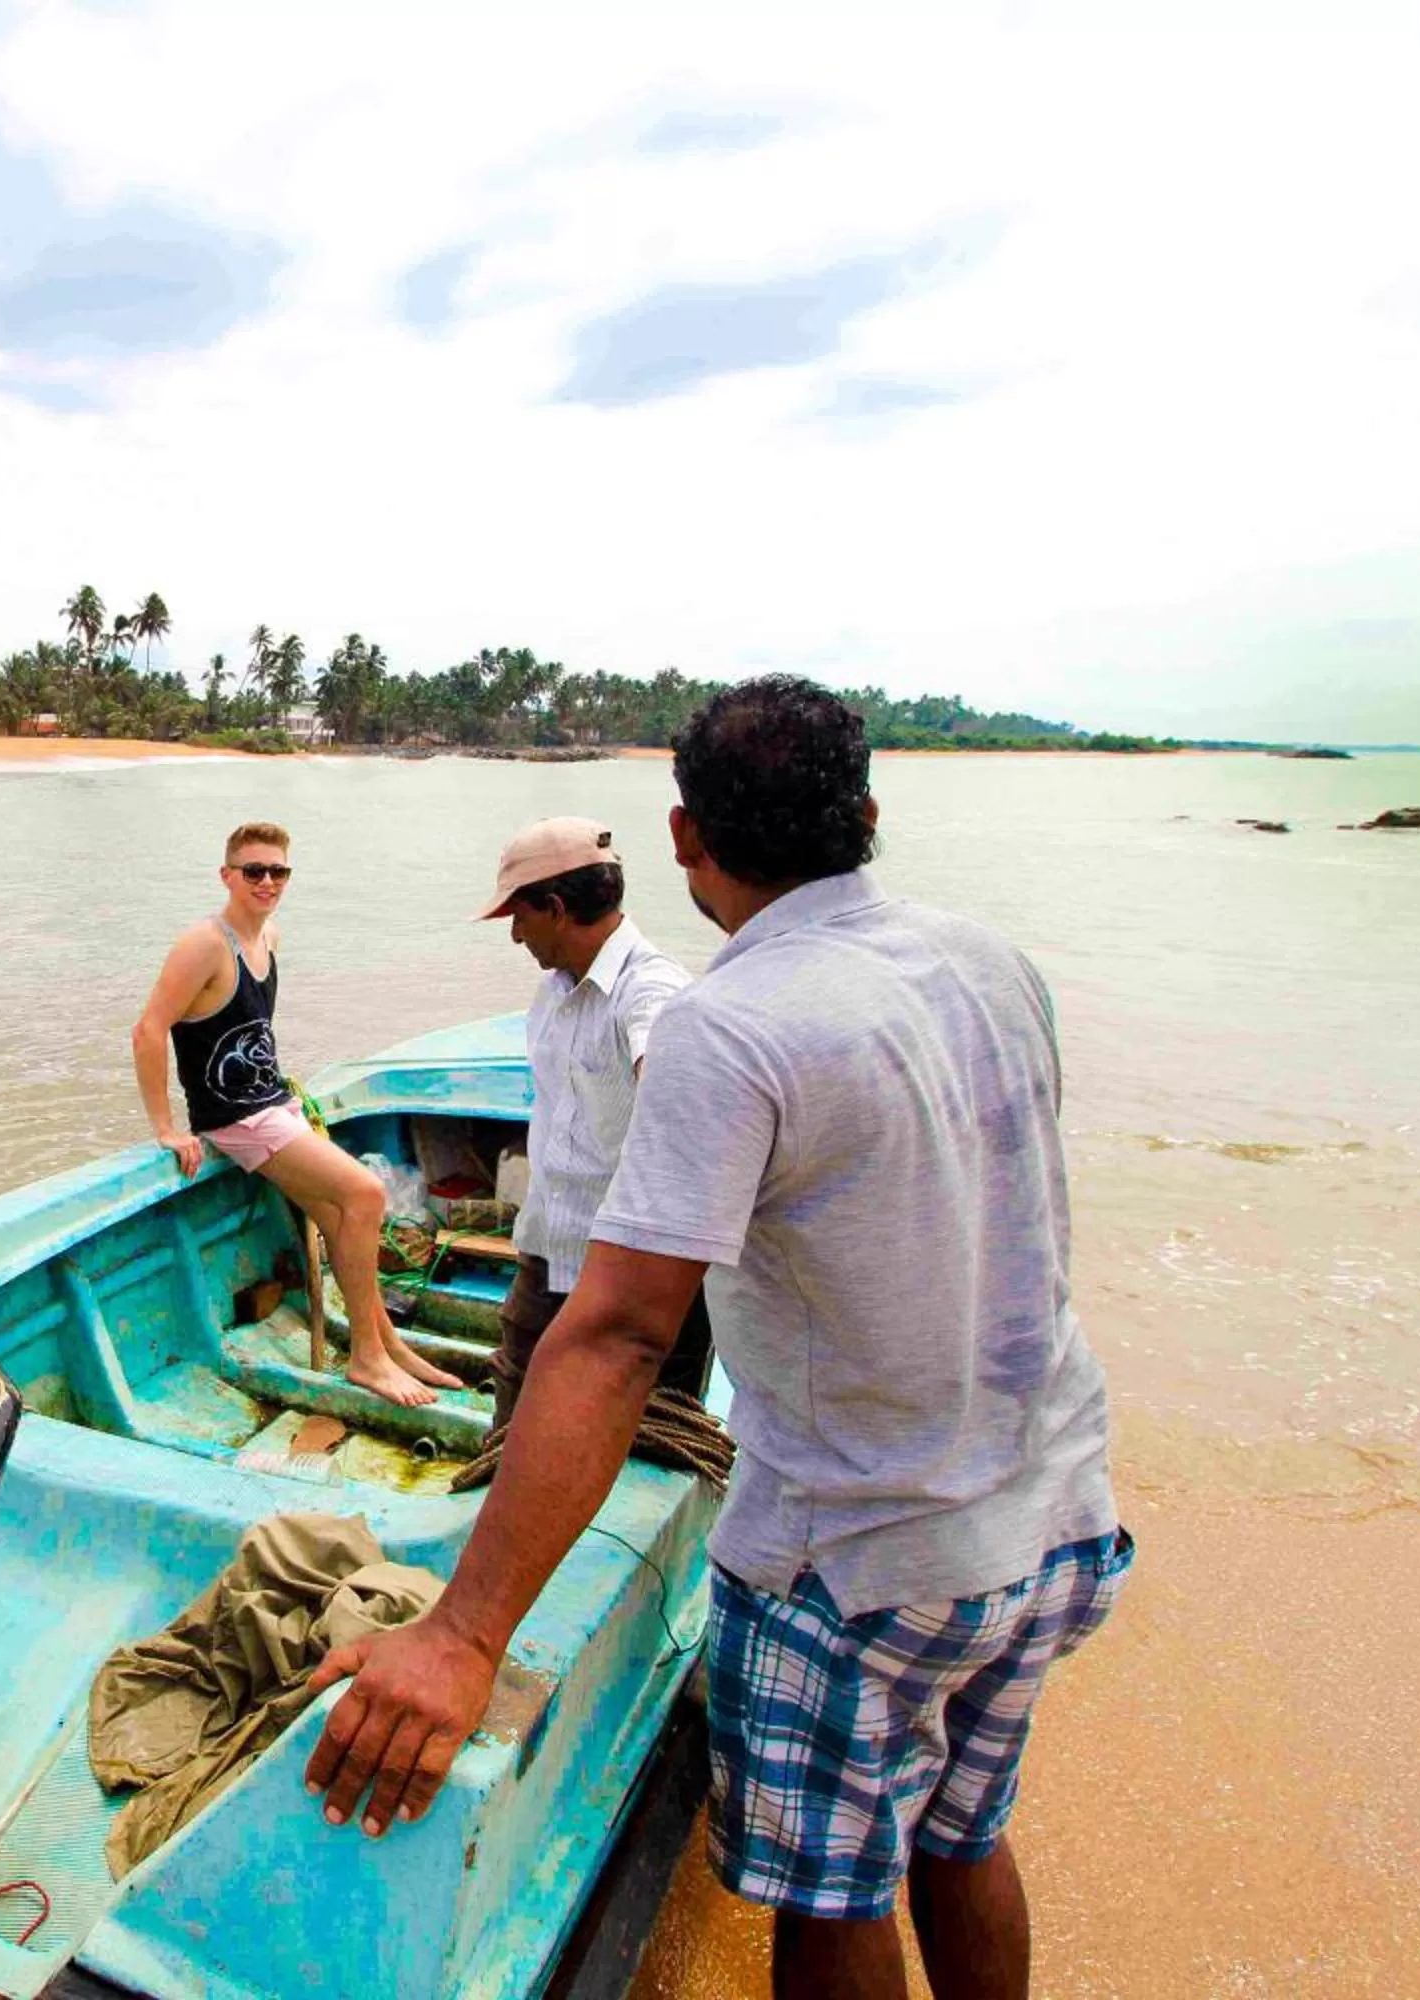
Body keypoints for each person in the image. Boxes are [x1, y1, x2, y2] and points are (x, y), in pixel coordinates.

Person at [305, 678, 1129, 2000]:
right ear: (868, 812)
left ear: (686, 837)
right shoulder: (990, 960)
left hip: (861, 1562)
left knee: (833, 1896)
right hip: (1057, 1514)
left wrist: (461, 1635)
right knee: (961, 1834)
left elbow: (618, 1340)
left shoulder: (726, 1024)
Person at [132, 821, 459, 1408]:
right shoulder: (205, 945)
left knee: (339, 1214)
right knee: (364, 1194)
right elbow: (149, 1029)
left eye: (278, 871)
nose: (267, 882)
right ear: (227, 876)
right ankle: (367, 1358)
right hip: (235, 1116)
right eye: (253, 871)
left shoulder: (269, 937)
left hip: (271, 1102)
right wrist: (166, 1128)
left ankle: (387, 1343)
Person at [476, 816, 701, 1430]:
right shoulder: (554, 991)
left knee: (647, 1435)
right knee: (516, 1419)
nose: (515, 935)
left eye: (519, 916)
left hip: (636, 1274)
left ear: (555, 909)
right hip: (549, 1247)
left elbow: (673, 1092)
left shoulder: (651, 988)